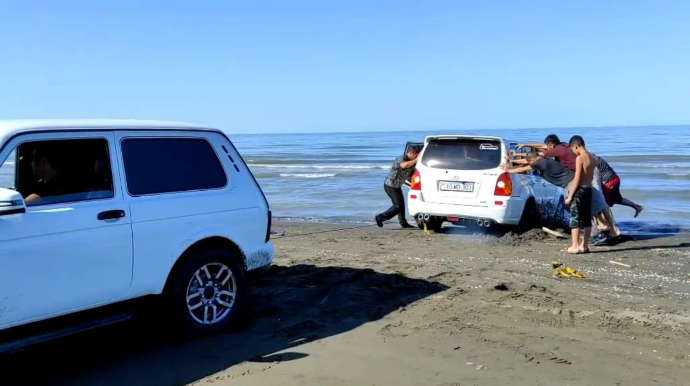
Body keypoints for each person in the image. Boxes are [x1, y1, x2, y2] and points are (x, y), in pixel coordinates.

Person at [375, 145, 421, 228]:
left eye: (418, 155)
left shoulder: (413, 162)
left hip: (397, 186)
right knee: (397, 206)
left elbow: (410, 175)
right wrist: (416, 160)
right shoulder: (401, 158)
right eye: (416, 155)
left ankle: (403, 222)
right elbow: (403, 166)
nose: (417, 157)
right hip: (390, 185)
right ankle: (380, 217)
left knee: (401, 205)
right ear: (410, 153)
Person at [564, 135, 596, 254]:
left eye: (572, 149)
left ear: (575, 146)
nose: (573, 152)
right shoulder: (593, 158)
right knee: (587, 218)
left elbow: (577, 178)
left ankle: (575, 246)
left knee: (575, 218)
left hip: (580, 191)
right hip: (589, 190)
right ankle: (584, 246)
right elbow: (591, 177)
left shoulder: (580, 158)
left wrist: (570, 196)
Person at [593, 154, 644, 218]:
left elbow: (595, 176)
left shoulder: (590, 160)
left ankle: (608, 223)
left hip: (609, 181)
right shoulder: (595, 157)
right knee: (617, 199)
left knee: (604, 203)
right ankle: (637, 207)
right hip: (615, 179)